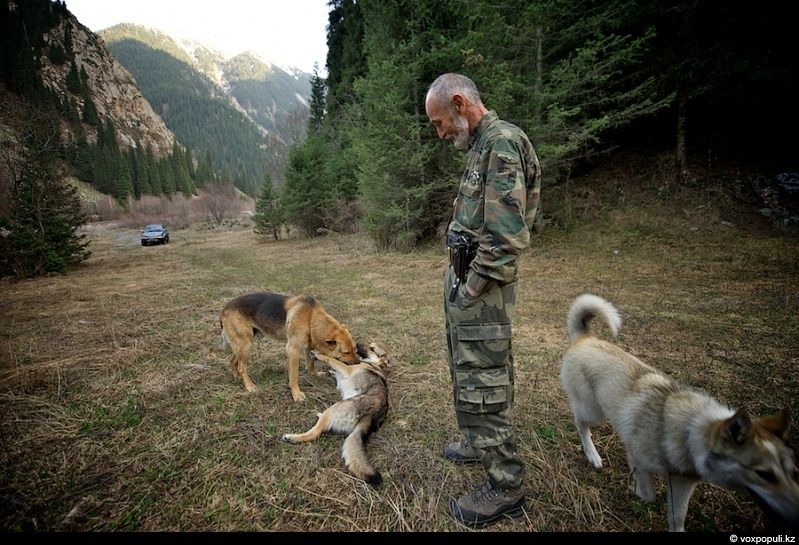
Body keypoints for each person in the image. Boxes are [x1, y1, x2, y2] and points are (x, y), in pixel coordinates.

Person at [425, 73, 541, 526]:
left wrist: (472, 288)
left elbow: (507, 237)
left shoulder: (502, 144)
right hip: (467, 282)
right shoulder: (481, 145)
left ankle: (506, 486)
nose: (440, 133)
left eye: (439, 123)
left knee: (483, 381)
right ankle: (478, 442)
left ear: (459, 103)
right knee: (469, 369)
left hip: (482, 290)